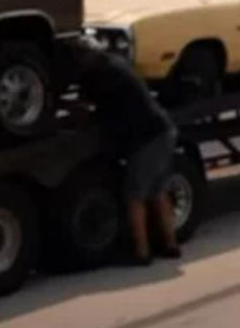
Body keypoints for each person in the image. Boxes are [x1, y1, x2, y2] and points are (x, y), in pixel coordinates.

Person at [69, 38, 182, 265]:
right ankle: (170, 245)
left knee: (134, 196)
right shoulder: (116, 64)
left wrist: (79, 115)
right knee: (158, 192)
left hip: (147, 140)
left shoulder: (103, 76)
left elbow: (101, 113)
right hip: (163, 130)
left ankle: (141, 252)